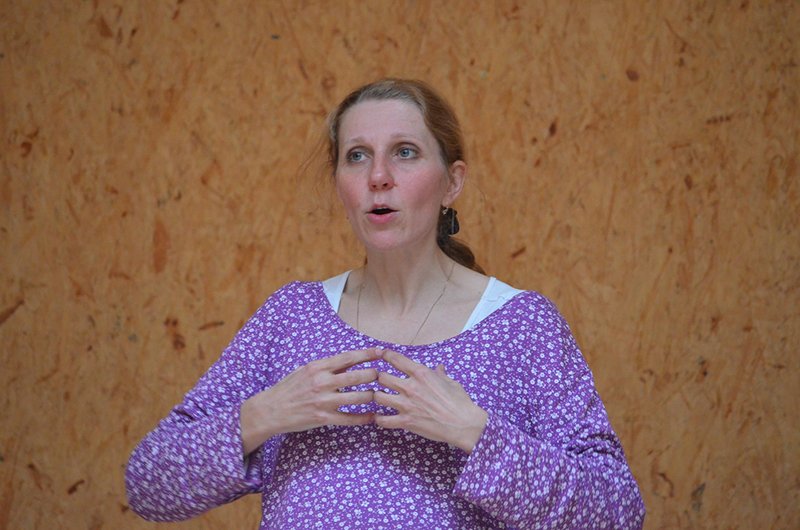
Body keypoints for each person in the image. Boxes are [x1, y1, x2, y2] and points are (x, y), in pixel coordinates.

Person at [125, 78, 645, 529]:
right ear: (340, 185)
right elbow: (148, 485)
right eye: (357, 156)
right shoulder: (291, 318)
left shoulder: (522, 326)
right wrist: (264, 414)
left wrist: (477, 434)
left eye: (405, 152)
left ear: (452, 182)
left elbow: (617, 512)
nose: (378, 175)